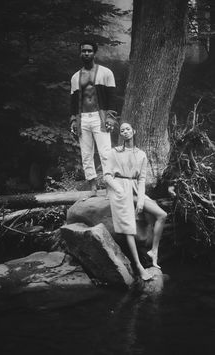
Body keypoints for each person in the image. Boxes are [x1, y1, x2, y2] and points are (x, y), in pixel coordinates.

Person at [104, 122, 167, 281]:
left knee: (161, 214)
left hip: (134, 188)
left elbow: (142, 179)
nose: (125, 132)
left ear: (134, 131)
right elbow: (107, 176)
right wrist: (118, 189)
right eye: (122, 130)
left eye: (127, 129)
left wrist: (140, 200)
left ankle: (154, 251)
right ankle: (139, 266)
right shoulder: (114, 153)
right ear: (121, 134)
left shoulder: (141, 154)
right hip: (119, 187)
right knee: (129, 227)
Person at [70, 40, 117, 196]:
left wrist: (110, 118)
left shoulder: (106, 72)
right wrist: (73, 120)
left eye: (89, 51)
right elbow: (73, 102)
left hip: (100, 117)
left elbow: (112, 97)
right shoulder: (75, 77)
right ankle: (93, 187)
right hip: (83, 117)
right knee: (86, 154)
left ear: (94, 53)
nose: (86, 53)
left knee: (105, 153)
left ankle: (109, 185)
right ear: (80, 53)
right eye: (84, 51)